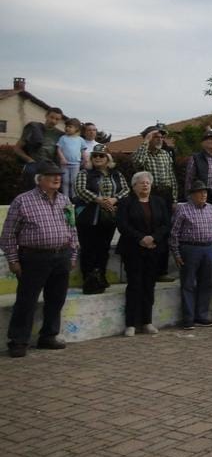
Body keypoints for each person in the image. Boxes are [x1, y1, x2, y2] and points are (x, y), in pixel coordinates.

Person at [1, 162, 77, 357]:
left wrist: (73, 254)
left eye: (59, 175)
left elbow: (72, 229)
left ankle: (49, 336)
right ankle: (18, 341)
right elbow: (8, 234)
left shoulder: (64, 200)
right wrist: (13, 260)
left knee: (56, 299)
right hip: (34, 257)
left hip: (61, 256)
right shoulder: (23, 201)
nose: (57, 178)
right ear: (39, 179)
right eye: (51, 175)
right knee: (27, 301)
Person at [116, 172, 169, 336]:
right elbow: (122, 225)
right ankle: (131, 323)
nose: (145, 185)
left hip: (153, 249)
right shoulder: (126, 203)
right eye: (141, 183)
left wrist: (153, 238)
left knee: (149, 286)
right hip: (133, 249)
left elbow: (166, 224)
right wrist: (141, 238)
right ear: (134, 186)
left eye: (148, 182)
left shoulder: (159, 202)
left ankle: (147, 321)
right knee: (134, 285)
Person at [74, 144, 129, 294]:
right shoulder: (85, 173)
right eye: (95, 156)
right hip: (88, 217)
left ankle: (101, 277)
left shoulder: (116, 174)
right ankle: (89, 279)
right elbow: (80, 190)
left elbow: (126, 189)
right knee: (88, 248)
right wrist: (99, 200)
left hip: (108, 217)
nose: (98, 158)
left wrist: (114, 199)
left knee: (103, 249)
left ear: (107, 158)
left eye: (101, 155)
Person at [170, 180, 212, 329]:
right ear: (192, 195)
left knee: (206, 283)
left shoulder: (211, 208)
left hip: (208, 247)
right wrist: (176, 253)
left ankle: (201, 316)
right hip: (190, 248)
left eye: (205, 192)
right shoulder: (182, 209)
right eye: (200, 192)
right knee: (188, 284)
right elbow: (174, 233)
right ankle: (188, 318)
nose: (203, 194)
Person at [12, 106, 64, 193]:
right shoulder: (33, 128)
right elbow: (17, 148)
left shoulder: (60, 135)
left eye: (57, 119)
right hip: (33, 163)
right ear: (46, 116)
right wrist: (30, 160)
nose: (53, 121)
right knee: (30, 190)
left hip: (50, 166)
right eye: (51, 117)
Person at [185, 130, 212, 216]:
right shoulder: (195, 158)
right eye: (210, 139)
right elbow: (189, 180)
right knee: (202, 218)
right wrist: (189, 197)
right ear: (203, 143)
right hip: (202, 194)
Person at [133, 125, 177, 206]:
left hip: (166, 194)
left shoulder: (165, 154)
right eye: (156, 137)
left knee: (167, 218)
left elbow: (172, 177)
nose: (160, 139)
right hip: (150, 193)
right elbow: (138, 162)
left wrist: (174, 199)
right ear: (148, 138)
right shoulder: (141, 153)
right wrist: (146, 142)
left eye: (161, 137)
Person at [56, 117, 84, 200]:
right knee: (65, 181)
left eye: (70, 126)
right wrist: (62, 158)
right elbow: (59, 149)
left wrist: (85, 159)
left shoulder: (80, 139)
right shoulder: (63, 138)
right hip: (65, 164)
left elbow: (83, 150)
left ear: (76, 129)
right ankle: (65, 198)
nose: (67, 128)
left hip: (76, 164)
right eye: (66, 126)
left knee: (74, 181)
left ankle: (74, 198)